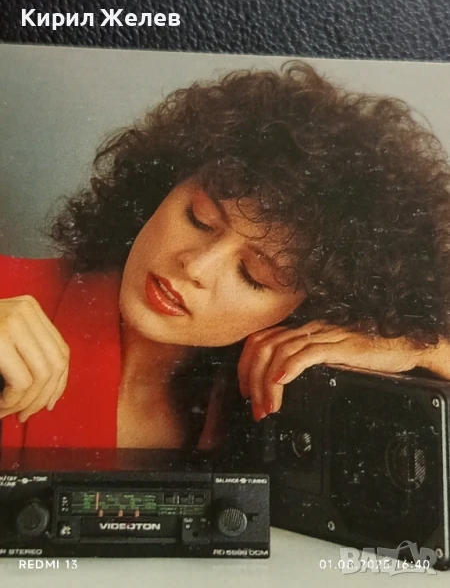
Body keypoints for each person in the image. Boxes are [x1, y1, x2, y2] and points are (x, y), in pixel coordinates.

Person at [1, 61, 450, 453]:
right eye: (198, 218)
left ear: (309, 306)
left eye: (253, 275)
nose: (195, 267)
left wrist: (423, 348)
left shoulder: (300, 389)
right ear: (163, 186)